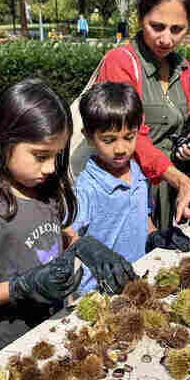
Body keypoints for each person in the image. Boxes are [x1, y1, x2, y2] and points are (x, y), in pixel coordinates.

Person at [0, 79, 136, 363]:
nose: (50, 168)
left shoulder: (46, 193)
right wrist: (21, 287)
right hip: (7, 352)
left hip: (54, 331)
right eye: (40, 156)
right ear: (3, 141)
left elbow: (50, 241)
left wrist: (82, 246)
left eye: (56, 156)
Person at [97, 0, 190, 229]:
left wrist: (188, 144)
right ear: (140, 18)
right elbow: (128, 138)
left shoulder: (183, 67)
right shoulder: (120, 63)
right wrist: (179, 180)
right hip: (130, 192)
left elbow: (182, 121)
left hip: (169, 191)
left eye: (177, 30)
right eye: (157, 26)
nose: (166, 39)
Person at [73, 82, 155, 294]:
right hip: (98, 292)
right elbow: (68, 237)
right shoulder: (86, 188)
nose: (120, 149)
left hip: (137, 279)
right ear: (89, 136)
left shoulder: (137, 172)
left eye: (129, 137)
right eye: (108, 140)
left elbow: (143, 217)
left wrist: (155, 234)